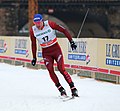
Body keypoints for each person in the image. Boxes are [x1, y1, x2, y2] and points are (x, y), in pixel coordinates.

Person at [29, 14, 78, 97]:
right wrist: (34, 57)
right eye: (35, 23)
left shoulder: (50, 24)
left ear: (42, 21)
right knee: (50, 70)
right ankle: (60, 89)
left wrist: (71, 41)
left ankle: (73, 88)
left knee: (61, 69)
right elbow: (33, 44)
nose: (37, 25)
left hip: (56, 50)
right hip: (46, 53)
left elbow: (64, 30)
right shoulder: (32, 30)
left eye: (39, 23)